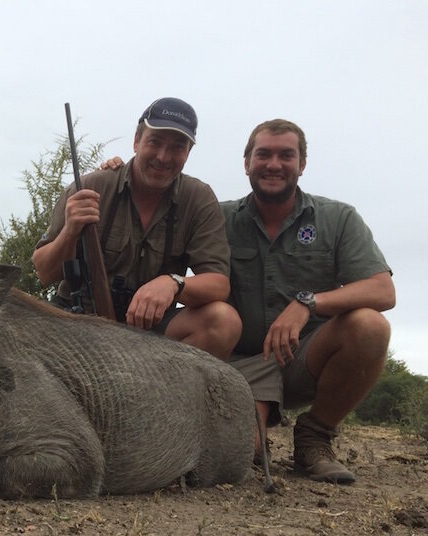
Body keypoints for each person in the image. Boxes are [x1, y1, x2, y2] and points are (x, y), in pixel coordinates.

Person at [222, 119, 395, 484]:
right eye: (263, 154)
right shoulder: (217, 217)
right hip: (239, 368)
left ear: (302, 164)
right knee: (242, 453)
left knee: (370, 324)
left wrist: (307, 303)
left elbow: (382, 291)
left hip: (302, 360)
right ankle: (256, 433)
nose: (273, 164)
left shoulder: (339, 217)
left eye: (286, 155)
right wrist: (115, 173)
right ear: (246, 163)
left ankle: (315, 438)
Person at [32, 98, 241, 360]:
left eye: (177, 148)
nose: (163, 157)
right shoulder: (88, 186)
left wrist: (173, 283)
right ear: (136, 141)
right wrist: (70, 231)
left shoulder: (199, 198)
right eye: (155, 142)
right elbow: (43, 272)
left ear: (188, 153)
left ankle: (160, 397)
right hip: (75, 325)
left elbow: (219, 284)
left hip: (150, 333)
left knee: (224, 322)